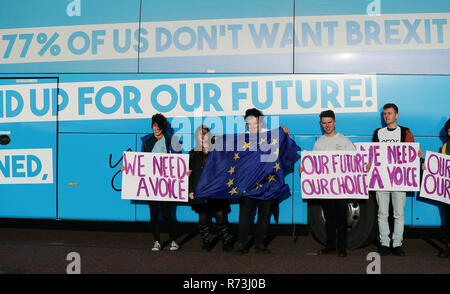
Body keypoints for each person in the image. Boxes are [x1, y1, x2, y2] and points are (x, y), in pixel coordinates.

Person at [234, 108, 290, 254]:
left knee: (264, 214)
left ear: (260, 121)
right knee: (245, 214)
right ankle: (242, 243)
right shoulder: (240, 139)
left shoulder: (270, 136)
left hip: (266, 183)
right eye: (249, 122)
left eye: (254, 122)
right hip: (247, 184)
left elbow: (283, 150)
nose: (252, 125)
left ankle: (259, 243)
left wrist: (285, 135)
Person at [299, 110, 354, 257]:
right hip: (326, 189)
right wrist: (304, 169)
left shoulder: (344, 141)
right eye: (324, 123)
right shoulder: (319, 142)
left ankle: (342, 248)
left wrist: (364, 167)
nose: (327, 125)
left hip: (342, 188)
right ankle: (330, 246)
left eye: (329, 122)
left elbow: (354, 162)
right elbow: (314, 166)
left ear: (334, 122)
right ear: (321, 124)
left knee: (342, 218)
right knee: (329, 218)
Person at [372, 103, 423, 256]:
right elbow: (373, 155)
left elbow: (411, 152)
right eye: (384, 114)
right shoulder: (378, 133)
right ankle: (384, 243)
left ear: (397, 115)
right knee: (382, 213)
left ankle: (397, 244)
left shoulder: (405, 132)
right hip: (381, 179)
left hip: (399, 180)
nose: (386, 116)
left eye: (390, 113)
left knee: (399, 213)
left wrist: (418, 155)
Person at [123, 113, 179, 251]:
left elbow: (177, 161)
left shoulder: (171, 140)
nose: (156, 128)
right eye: (154, 126)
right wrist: (128, 166)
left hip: (165, 184)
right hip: (151, 184)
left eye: (158, 126)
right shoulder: (147, 140)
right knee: (153, 213)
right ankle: (156, 241)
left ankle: (173, 240)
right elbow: (141, 160)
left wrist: (183, 171)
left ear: (162, 127)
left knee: (166, 213)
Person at [188, 125, 232, 252]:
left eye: (205, 134)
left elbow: (229, 160)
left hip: (216, 191)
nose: (202, 136)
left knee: (220, 216)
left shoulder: (218, 151)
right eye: (200, 134)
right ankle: (205, 243)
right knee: (203, 218)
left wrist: (225, 141)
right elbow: (190, 175)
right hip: (200, 192)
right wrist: (190, 190)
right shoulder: (192, 153)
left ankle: (225, 243)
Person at [437, 119, 450, 257]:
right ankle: (449, 246)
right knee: (448, 219)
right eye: (448, 130)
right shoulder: (445, 146)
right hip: (448, 190)